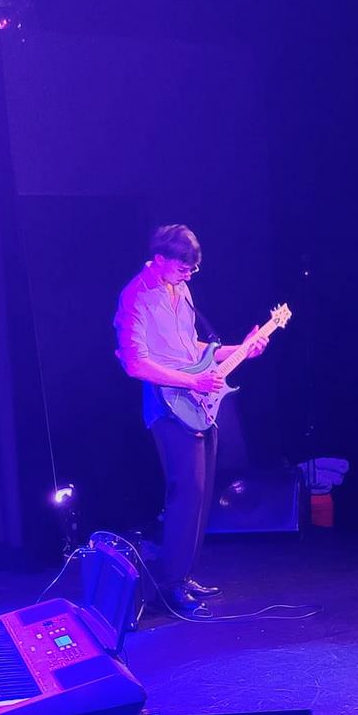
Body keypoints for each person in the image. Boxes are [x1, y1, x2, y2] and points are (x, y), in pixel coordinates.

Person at [114, 224, 268, 617]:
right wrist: (192, 382)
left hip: (198, 401)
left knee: (201, 494)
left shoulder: (181, 290)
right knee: (186, 493)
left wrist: (240, 350)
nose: (188, 275)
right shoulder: (136, 296)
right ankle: (169, 587)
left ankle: (183, 575)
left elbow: (192, 347)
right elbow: (135, 363)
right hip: (168, 406)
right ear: (160, 259)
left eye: (192, 269)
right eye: (183, 268)